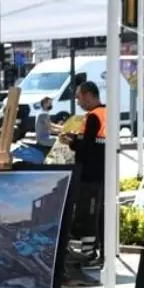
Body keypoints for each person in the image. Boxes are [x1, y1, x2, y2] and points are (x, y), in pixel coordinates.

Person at [62, 81, 106, 264]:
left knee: (88, 212)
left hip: (90, 173)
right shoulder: (105, 113)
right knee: (98, 212)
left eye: (79, 97)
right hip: (102, 170)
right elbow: (96, 141)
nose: (78, 102)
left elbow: (87, 146)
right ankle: (100, 250)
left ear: (89, 95)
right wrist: (76, 138)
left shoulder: (93, 117)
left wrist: (70, 143)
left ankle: (89, 253)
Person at [13, 97, 59, 164]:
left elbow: (51, 124)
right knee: (60, 142)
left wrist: (62, 127)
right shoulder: (43, 114)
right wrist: (61, 131)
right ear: (45, 104)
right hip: (44, 139)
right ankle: (56, 162)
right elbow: (50, 128)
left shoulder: (42, 113)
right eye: (50, 103)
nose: (51, 105)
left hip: (44, 137)